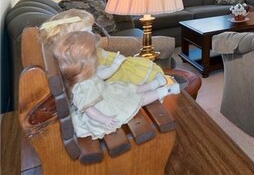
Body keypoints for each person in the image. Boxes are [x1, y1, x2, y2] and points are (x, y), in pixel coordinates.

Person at [52, 30, 180, 139]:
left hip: (108, 92)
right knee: (135, 100)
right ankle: (165, 91)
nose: (97, 57)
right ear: (85, 61)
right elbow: (89, 109)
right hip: (104, 107)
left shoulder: (83, 74)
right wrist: (104, 119)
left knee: (131, 88)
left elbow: (102, 75)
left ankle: (156, 83)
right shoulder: (82, 87)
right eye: (94, 55)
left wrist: (116, 64)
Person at [40, 9, 167, 87]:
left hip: (115, 65)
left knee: (140, 67)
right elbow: (97, 76)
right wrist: (114, 65)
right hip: (115, 76)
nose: (92, 35)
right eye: (86, 32)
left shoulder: (82, 53)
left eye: (90, 30)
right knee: (141, 73)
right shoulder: (80, 62)